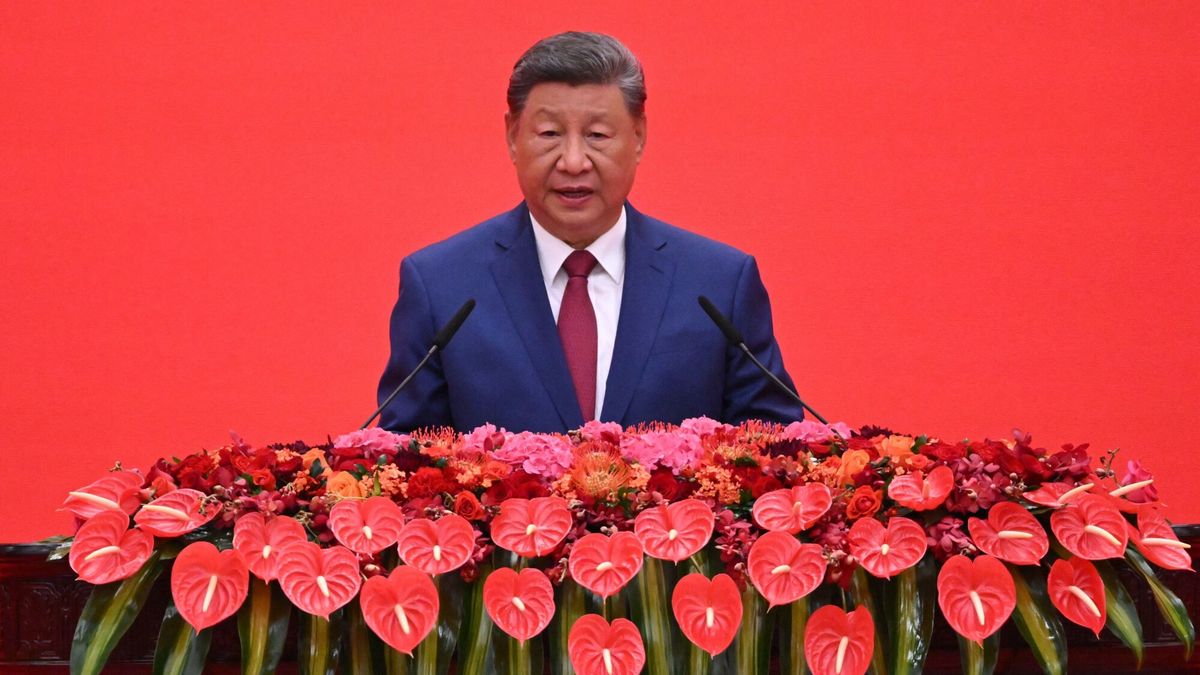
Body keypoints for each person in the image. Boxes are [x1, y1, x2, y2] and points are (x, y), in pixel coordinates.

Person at [377, 31, 803, 433]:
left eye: (597, 135)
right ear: (512, 136)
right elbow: (405, 462)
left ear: (638, 137)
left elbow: (775, 449)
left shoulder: (719, 283)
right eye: (549, 134)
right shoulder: (441, 285)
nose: (574, 161)